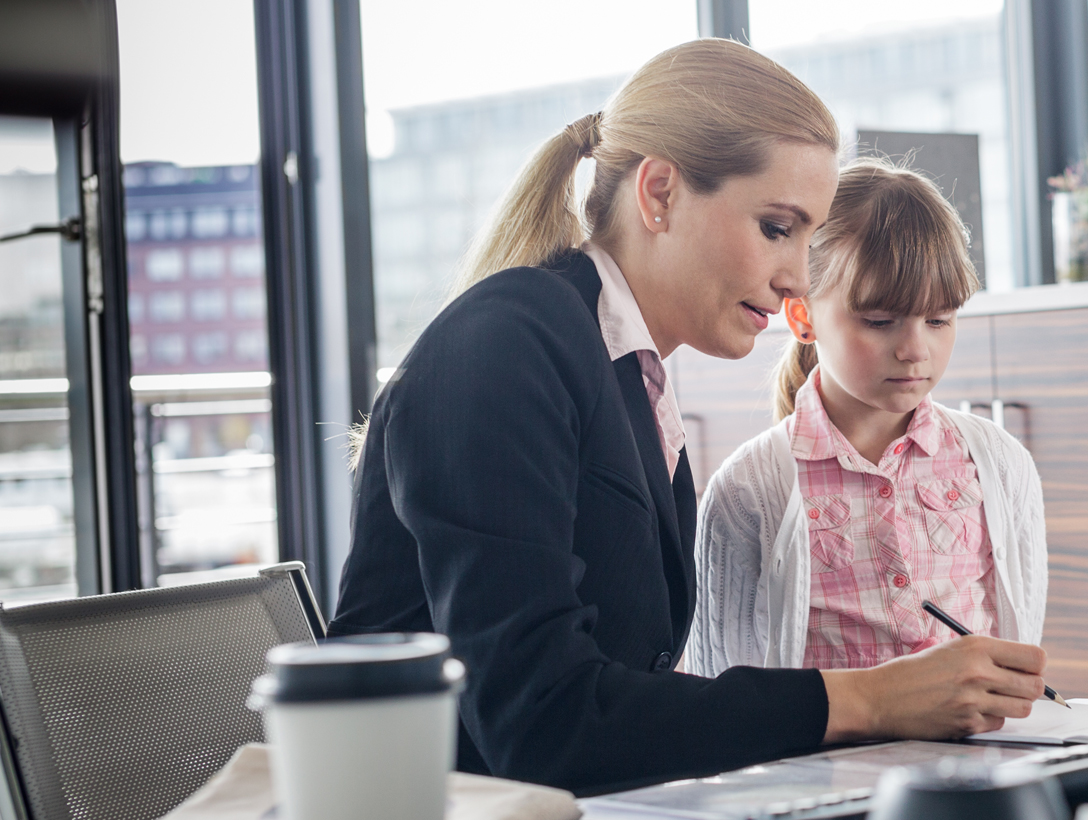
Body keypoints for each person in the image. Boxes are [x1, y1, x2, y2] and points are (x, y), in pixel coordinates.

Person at [330, 40, 1048, 796]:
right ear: (661, 193)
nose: (797, 277)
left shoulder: (623, 377)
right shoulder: (506, 348)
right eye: (777, 227)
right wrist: (869, 699)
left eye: (809, 235)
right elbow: (543, 723)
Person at [687, 160, 1047, 677]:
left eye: (940, 319)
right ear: (803, 315)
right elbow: (722, 690)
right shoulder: (749, 491)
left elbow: (1019, 643)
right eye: (880, 321)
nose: (915, 350)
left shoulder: (999, 464)